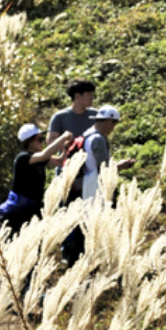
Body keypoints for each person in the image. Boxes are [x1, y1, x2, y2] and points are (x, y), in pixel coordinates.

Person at [62, 105, 134, 265]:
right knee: (93, 224)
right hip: (94, 188)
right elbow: (105, 168)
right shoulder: (98, 139)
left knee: (85, 223)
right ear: (108, 120)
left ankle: (77, 258)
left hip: (84, 185)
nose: (113, 128)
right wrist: (122, 165)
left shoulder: (87, 134)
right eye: (113, 123)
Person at [0, 124, 72, 235]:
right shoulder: (23, 158)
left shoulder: (39, 157)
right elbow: (45, 154)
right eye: (40, 139)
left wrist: (65, 147)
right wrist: (63, 137)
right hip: (19, 209)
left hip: (33, 207)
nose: (42, 142)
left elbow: (59, 161)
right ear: (30, 142)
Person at [46, 79, 97, 145]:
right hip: (69, 154)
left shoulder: (96, 115)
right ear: (77, 96)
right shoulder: (60, 117)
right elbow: (51, 141)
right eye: (88, 94)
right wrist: (68, 146)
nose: (92, 97)